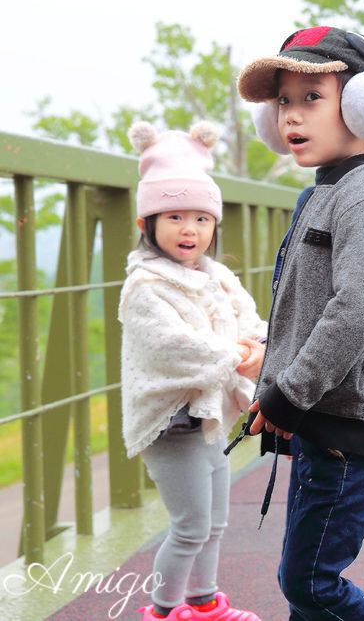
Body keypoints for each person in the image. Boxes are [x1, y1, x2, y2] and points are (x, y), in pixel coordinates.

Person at [230, 25, 364, 620]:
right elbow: (306, 304)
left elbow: (356, 309)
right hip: (322, 422)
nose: (291, 115)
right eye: (284, 100)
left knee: (310, 583)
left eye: (313, 98)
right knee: (306, 588)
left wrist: (289, 394)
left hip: (351, 429)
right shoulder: (322, 194)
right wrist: (277, 378)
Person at [119, 120, 267, 621]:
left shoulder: (216, 275)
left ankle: (203, 604)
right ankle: (162, 612)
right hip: (169, 421)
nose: (190, 230)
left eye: (202, 220)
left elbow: (248, 318)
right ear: (147, 224)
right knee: (188, 526)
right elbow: (173, 345)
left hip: (207, 417)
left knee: (215, 523)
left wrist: (257, 343)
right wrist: (235, 354)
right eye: (175, 217)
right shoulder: (144, 285)